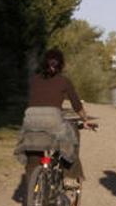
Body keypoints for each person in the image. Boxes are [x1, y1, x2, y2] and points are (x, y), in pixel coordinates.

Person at [25, 48, 92, 184]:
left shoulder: (33, 80)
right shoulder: (64, 81)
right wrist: (85, 120)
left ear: (43, 63)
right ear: (61, 64)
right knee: (72, 137)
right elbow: (77, 105)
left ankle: (33, 188)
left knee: (33, 158)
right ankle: (68, 175)